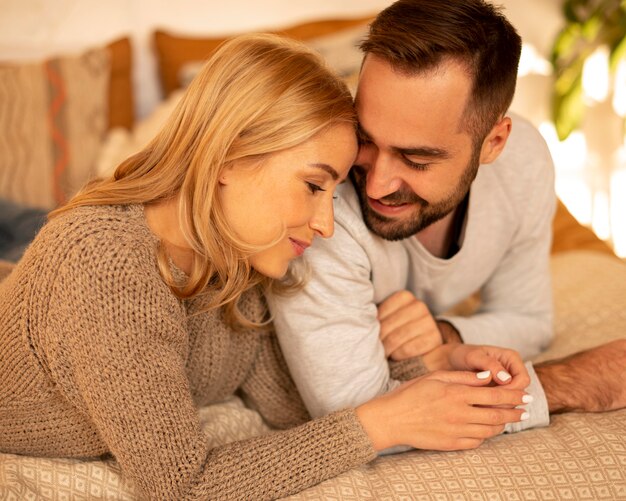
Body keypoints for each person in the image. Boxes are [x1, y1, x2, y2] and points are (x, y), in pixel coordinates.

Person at [0, 34, 532, 501]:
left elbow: (297, 410)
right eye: (312, 185)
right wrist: (380, 425)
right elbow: (184, 486)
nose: (328, 224)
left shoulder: (241, 271)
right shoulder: (107, 265)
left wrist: (446, 361)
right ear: (230, 156)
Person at [268, 0, 626, 432]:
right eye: (366, 138)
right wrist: (559, 384)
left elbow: (530, 320)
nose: (377, 184)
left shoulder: (525, 162)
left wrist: (445, 335)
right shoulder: (321, 207)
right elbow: (355, 418)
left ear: (493, 143)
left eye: (416, 159)